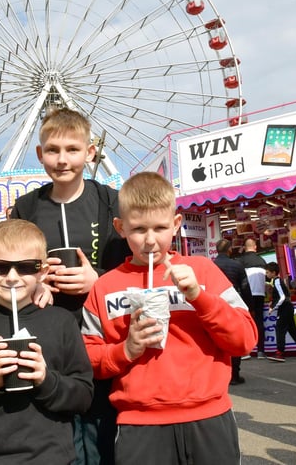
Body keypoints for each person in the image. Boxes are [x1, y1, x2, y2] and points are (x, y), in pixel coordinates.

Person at [81, 172, 257, 465]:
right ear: (120, 227)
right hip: (139, 425)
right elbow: (88, 359)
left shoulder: (203, 271)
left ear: (175, 224)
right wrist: (125, 350)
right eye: (138, 229)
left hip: (209, 416)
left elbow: (245, 340)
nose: (150, 240)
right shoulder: (104, 287)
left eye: (160, 227)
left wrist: (199, 298)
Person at [9, 106, 129, 465]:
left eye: (72, 150)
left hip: (102, 338)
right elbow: (10, 267)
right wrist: (33, 282)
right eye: (53, 150)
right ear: (40, 154)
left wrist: (99, 280)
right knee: (55, 432)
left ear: (90, 152)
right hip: (48, 339)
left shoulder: (112, 203)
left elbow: (140, 267)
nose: (62, 160)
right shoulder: (26, 208)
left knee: (101, 433)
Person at [0, 219, 94, 464]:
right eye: (0, 267)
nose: (12, 277)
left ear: (43, 271)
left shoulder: (62, 322)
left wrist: (45, 379)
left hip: (51, 457)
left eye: (26, 267)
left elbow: (83, 397)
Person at [212, 238, 251, 385]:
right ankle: (235, 374)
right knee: (234, 337)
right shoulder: (237, 265)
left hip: (215, 305)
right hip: (233, 304)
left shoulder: (211, 265)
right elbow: (245, 287)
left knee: (217, 339)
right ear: (229, 250)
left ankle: (220, 374)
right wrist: (249, 306)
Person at [265, 262, 296, 362]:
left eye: (267, 272)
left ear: (273, 273)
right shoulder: (277, 281)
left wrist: (273, 307)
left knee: (280, 329)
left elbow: (282, 297)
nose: (266, 274)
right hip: (287, 307)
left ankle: (280, 353)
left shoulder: (276, 281)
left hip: (284, 308)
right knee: (293, 330)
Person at [239, 237, 268, 359]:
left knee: (245, 322)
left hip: (246, 295)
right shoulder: (262, 261)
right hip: (260, 294)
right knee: (259, 321)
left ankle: (247, 351)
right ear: (255, 247)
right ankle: (261, 350)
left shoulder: (241, 261)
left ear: (245, 248)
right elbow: (267, 279)